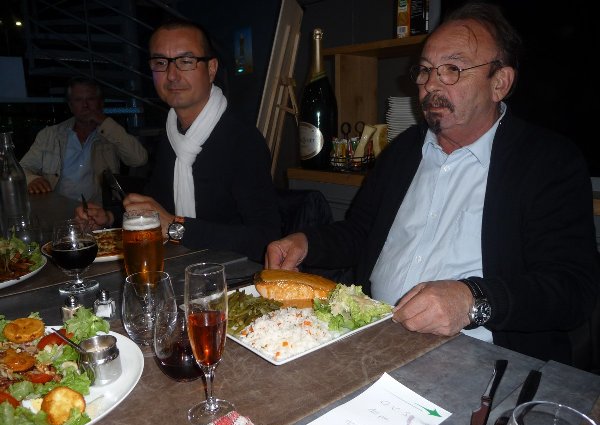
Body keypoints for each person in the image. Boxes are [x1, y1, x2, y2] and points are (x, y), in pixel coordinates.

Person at [265, 2, 600, 369]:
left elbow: (572, 288)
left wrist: (472, 300)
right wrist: (307, 243)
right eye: (425, 70)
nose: (430, 84)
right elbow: (361, 232)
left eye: (452, 69)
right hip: (371, 337)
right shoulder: (404, 150)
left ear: (499, 83)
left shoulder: (548, 161)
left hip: (482, 359)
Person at [77, 20, 280, 262]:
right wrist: (110, 217)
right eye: (161, 63)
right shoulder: (173, 134)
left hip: (232, 274)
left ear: (211, 69)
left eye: (185, 61)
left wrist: (176, 227)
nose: (172, 75)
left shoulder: (242, 140)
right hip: (181, 264)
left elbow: (266, 240)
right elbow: (158, 204)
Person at [20, 77, 148, 203]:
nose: (85, 105)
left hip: (97, 211)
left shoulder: (111, 134)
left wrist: (105, 122)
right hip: (57, 208)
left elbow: (139, 159)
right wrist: (32, 179)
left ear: (101, 103)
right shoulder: (50, 135)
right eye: (78, 100)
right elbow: (22, 168)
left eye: (91, 99)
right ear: (71, 106)